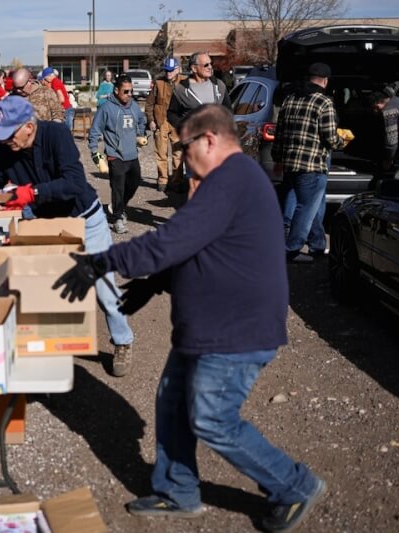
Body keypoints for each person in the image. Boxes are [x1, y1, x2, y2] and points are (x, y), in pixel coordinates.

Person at [52, 103, 326, 532]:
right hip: (207, 327)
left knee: (212, 417)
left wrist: (100, 262)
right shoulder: (229, 181)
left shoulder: (231, 179)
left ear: (210, 140)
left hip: (236, 329)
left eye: (184, 147)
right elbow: (199, 246)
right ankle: (178, 489)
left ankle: (294, 484)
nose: (182, 157)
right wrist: (156, 281)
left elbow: (173, 239)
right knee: (173, 404)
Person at [0, 96, 135, 377]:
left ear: (28, 126)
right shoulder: (6, 146)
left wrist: (32, 193)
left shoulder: (56, 134)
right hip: (46, 223)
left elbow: (73, 182)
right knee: (44, 287)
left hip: (85, 218)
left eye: (11, 134)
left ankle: (122, 341)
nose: (7, 142)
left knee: (103, 287)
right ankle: (46, 348)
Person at [272, 63, 344, 263]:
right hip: (313, 165)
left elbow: (280, 133)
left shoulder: (290, 99)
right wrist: (343, 141)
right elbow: (330, 137)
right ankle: (291, 248)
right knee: (306, 208)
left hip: (291, 162)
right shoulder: (324, 102)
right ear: (325, 81)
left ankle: (317, 244)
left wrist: (278, 158)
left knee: (310, 206)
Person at [88, 75, 147, 234]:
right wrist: (96, 154)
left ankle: (117, 207)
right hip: (115, 155)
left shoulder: (133, 106)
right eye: (125, 91)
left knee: (134, 183)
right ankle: (117, 219)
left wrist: (141, 134)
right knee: (118, 188)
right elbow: (94, 132)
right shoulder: (106, 108)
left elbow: (142, 120)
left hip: (132, 154)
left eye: (131, 91)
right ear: (116, 90)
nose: (129, 94)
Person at [145, 57, 184, 192]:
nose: (168, 73)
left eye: (171, 71)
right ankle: (163, 180)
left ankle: (177, 181)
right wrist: (150, 120)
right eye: (166, 70)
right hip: (161, 122)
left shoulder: (185, 83)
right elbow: (149, 103)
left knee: (178, 153)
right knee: (161, 153)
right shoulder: (158, 83)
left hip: (177, 123)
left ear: (177, 70)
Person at [166, 52, 231, 129]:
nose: (210, 67)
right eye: (206, 65)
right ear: (194, 68)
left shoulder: (219, 85)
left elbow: (228, 111)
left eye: (211, 64)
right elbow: (171, 114)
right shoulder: (181, 89)